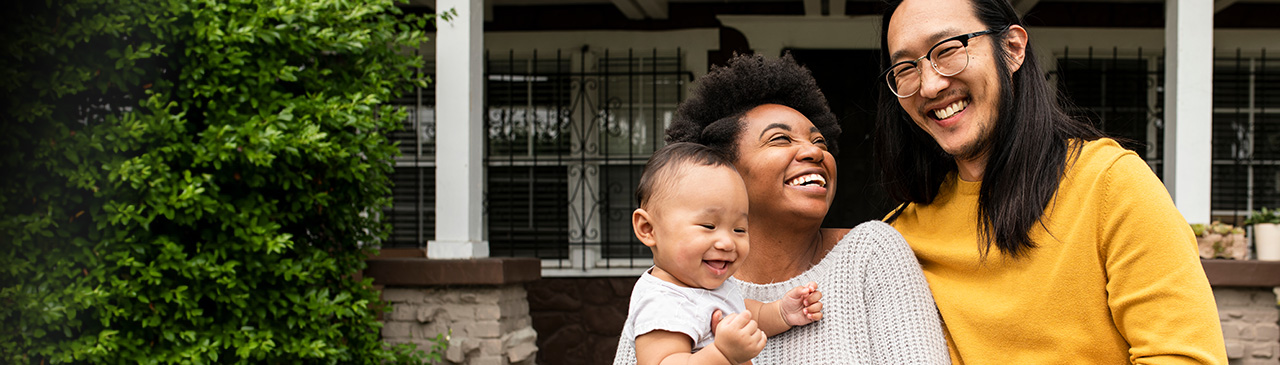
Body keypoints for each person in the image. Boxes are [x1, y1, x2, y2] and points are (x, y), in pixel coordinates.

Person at [875, 0, 1228, 363]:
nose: (929, 85)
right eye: (906, 68)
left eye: (948, 50)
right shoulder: (900, 238)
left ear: (1012, 48)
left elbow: (1184, 356)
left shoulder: (1110, 185)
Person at [615, 53, 950, 364]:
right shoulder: (670, 290)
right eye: (780, 139)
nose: (814, 152)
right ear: (723, 171)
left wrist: (782, 312)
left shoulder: (871, 253)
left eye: (820, 142)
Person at [614, 142, 825, 365]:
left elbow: (746, 316)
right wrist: (722, 354)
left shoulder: (709, 287)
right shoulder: (662, 301)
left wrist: (781, 312)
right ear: (648, 229)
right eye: (708, 225)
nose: (727, 243)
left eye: (739, 229)